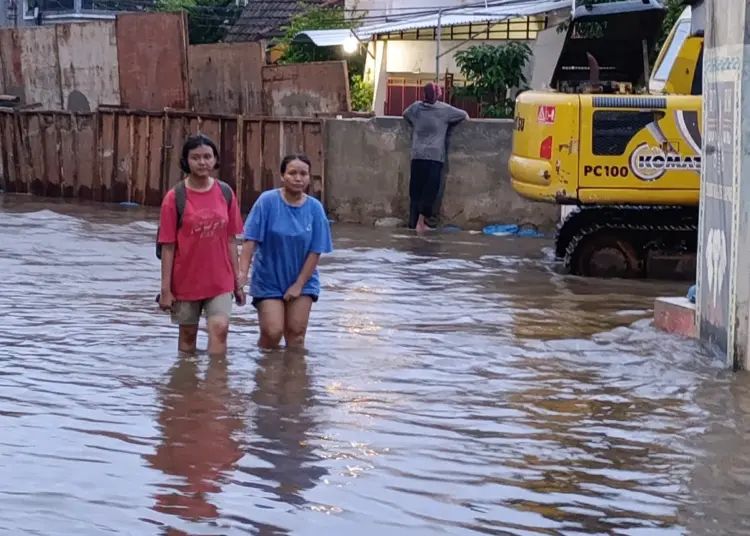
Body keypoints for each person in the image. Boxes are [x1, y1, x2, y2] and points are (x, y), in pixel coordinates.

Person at [157, 133, 245, 356]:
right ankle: (186, 386)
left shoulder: (225, 193)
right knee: (187, 337)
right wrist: (166, 291)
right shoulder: (174, 197)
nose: (202, 162)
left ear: (215, 160)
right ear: (186, 161)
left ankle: (216, 385)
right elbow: (167, 246)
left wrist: (238, 283)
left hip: (220, 279)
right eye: (196, 157)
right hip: (186, 280)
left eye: (207, 156)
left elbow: (231, 239)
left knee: (220, 329)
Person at [239, 153, 333, 349]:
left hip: (303, 280)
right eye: (292, 173)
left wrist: (299, 284)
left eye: (303, 174)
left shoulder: (315, 209)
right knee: (272, 333)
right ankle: (265, 372)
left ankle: (295, 377)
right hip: (269, 280)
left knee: (296, 336)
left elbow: (316, 251)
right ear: (282, 176)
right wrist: (242, 275)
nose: (298, 178)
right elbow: (250, 242)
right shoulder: (267, 202)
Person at [403, 82, 469, 232]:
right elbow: (464, 115)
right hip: (433, 157)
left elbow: (405, 114)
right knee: (429, 191)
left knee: (416, 191)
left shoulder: (416, 108)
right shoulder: (444, 110)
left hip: (417, 155)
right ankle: (421, 224)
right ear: (438, 95)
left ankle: (413, 224)